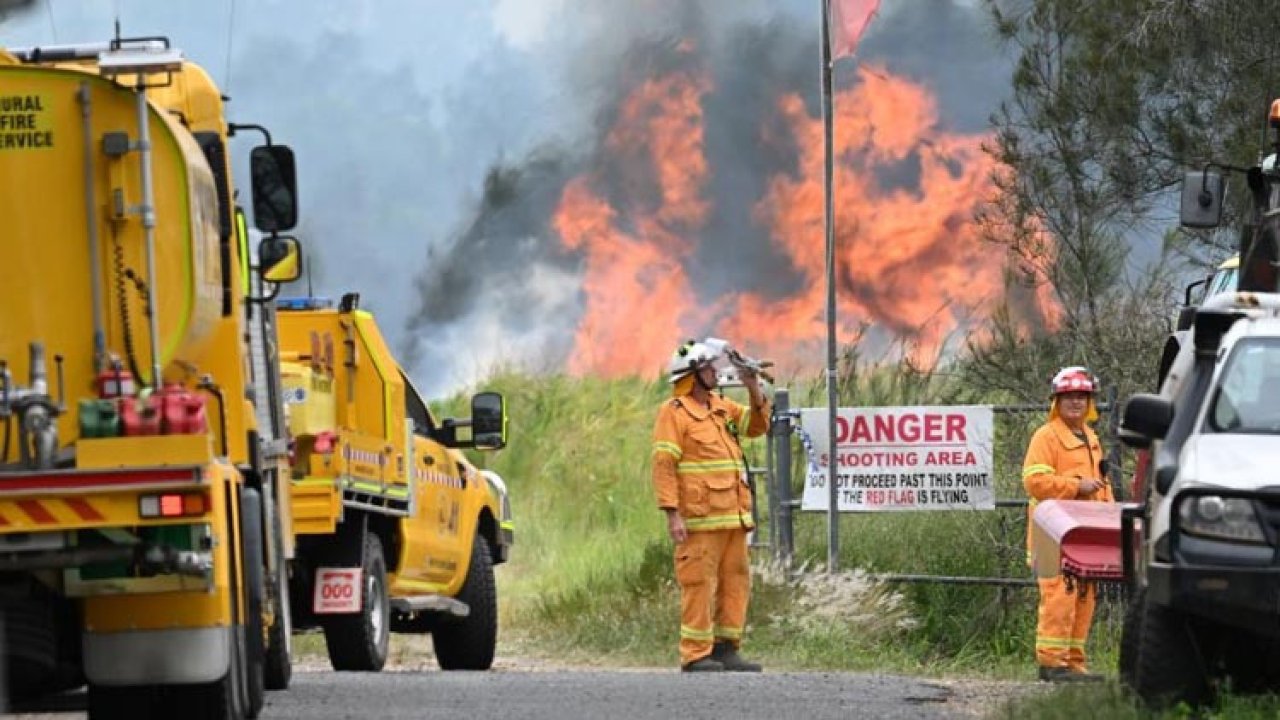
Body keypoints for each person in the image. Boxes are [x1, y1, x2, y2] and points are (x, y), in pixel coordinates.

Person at [651, 339, 771, 672]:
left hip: (733, 517)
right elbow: (664, 464)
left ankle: (726, 648)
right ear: (692, 374)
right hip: (698, 520)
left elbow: (757, 426)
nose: (715, 372)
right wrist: (672, 514)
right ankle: (695, 653)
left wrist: (752, 386)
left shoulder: (720, 406)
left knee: (736, 580)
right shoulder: (673, 413)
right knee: (698, 584)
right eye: (708, 368)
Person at [1022, 366, 1115, 683]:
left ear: (1089, 402)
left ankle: (1074, 663)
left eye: (1081, 397)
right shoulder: (1046, 437)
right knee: (1058, 595)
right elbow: (1034, 482)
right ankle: (1051, 664)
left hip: (1085, 534)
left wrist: (1111, 518)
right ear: (1056, 402)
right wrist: (1076, 486)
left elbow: (1102, 485)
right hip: (1051, 534)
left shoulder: (1090, 438)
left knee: (1085, 595)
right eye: (1068, 397)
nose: (1075, 402)